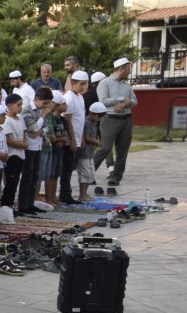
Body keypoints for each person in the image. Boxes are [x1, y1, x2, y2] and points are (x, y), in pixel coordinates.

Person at [94, 57, 138, 187]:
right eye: (128, 69)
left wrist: (126, 104)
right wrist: (121, 99)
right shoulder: (105, 83)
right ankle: (88, 173)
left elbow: (135, 101)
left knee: (122, 150)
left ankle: (116, 177)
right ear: (121, 69)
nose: (129, 72)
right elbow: (103, 100)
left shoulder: (127, 86)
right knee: (105, 148)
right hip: (110, 119)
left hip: (126, 119)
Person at [59, 70, 88, 204]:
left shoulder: (80, 97)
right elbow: (68, 121)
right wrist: (73, 140)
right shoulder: (69, 98)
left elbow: (80, 120)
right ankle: (65, 195)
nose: (83, 87)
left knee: (71, 167)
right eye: (81, 84)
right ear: (72, 83)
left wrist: (81, 137)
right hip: (70, 139)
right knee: (67, 168)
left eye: (85, 84)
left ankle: (66, 194)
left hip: (77, 137)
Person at [0, 95, 28, 212]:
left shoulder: (20, 118)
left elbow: (24, 133)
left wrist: (25, 142)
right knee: (11, 181)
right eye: (18, 105)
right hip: (12, 155)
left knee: (16, 180)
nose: (21, 107)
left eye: (21, 104)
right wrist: (24, 145)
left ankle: (11, 204)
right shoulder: (7, 120)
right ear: (9, 106)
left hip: (21, 154)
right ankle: (6, 205)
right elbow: (9, 140)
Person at [79, 102, 105, 201]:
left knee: (90, 174)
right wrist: (96, 142)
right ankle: (82, 194)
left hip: (90, 153)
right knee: (84, 174)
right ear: (93, 114)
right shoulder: (86, 123)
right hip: (84, 153)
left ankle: (85, 193)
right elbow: (86, 137)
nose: (100, 119)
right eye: (100, 116)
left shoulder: (94, 123)